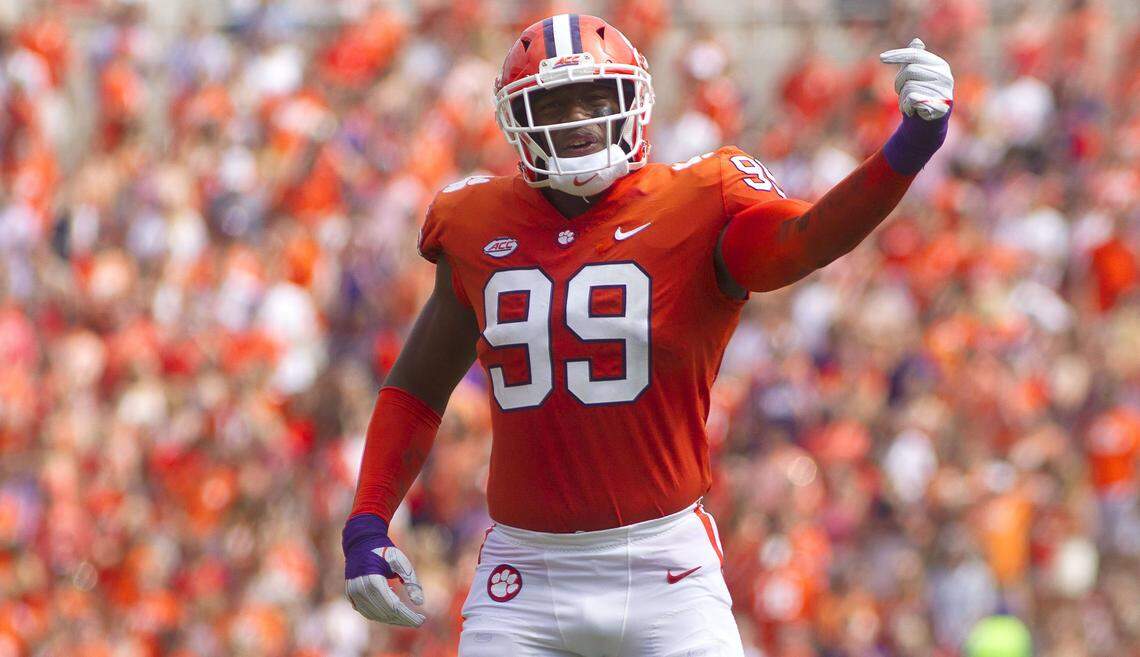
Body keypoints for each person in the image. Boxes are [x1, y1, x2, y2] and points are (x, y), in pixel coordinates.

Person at [342, 14, 954, 656]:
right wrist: (367, 520)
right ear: (516, 118)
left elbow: (806, 239)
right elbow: (415, 389)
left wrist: (908, 148)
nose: (577, 118)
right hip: (525, 574)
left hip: (667, 567)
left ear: (634, 101)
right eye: (553, 102)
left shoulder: (698, 198)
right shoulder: (472, 222)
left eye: (596, 98)